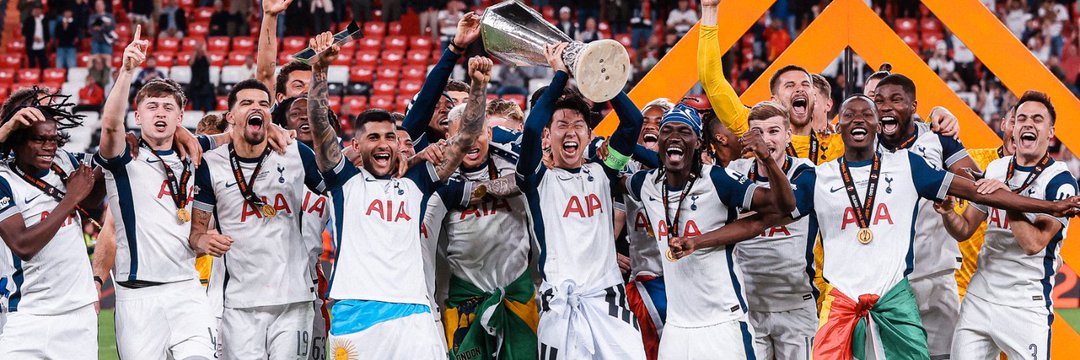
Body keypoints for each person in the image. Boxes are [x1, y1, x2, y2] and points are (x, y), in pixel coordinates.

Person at [306, 31, 487, 358]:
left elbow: (466, 137)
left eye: (389, 136)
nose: (383, 143)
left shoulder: (417, 182)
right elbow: (320, 127)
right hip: (356, 311)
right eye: (372, 137)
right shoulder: (344, 181)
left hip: (413, 312)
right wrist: (320, 72)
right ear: (357, 146)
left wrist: (477, 87)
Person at [519, 43, 647, 360]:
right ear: (548, 136)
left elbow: (632, 123)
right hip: (559, 304)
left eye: (579, 125)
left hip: (610, 300)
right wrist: (561, 73)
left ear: (589, 135)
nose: (571, 132)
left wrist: (600, 81)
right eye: (562, 125)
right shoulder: (535, 180)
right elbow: (533, 127)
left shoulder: (604, 173)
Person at [189, 79, 323, 359]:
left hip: (293, 298)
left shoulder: (297, 153)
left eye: (264, 104)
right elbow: (196, 234)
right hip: (239, 303)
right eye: (247, 103)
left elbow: (338, 185)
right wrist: (204, 239)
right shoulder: (211, 164)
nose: (257, 108)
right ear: (231, 117)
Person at [939, 91, 1075, 360]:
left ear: (1051, 132)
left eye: (1037, 119)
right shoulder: (996, 169)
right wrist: (947, 212)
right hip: (979, 297)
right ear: (1012, 128)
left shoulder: (1060, 182)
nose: (1028, 124)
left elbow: (1033, 244)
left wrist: (1006, 197)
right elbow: (965, 230)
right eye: (1022, 118)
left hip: (1025, 304)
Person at [0, 89, 99, 358]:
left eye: (53, 139)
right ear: (17, 139)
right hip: (27, 314)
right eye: (39, 139)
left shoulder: (65, 162)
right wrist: (70, 199)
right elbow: (22, 245)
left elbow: (97, 190)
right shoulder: (4, 179)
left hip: (78, 316)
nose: (50, 146)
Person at [725, 102, 819, 359]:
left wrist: (744, 218)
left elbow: (786, 206)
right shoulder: (735, 171)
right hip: (747, 305)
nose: (765, 140)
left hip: (795, 305)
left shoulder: (806, 171)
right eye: (758, 133)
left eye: (773, 131)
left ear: (788, 135)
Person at [188, 44, 216, 112]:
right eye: (198, 50)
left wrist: (205, 51)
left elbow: (210, 62)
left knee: (209, 108)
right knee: (196, 110)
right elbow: (191, 63)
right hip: (195, 88)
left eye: (200, 49)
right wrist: (195, 51)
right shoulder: (193, 59)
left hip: (206, 88)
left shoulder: (205, 59)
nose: (199, 51)